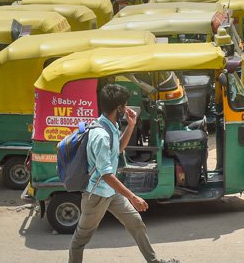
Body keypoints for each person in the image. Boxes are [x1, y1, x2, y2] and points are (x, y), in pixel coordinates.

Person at [69, 84, 176, 263]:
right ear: (118, 108)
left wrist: (131, 125)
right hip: (96, 197)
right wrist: (133, 197)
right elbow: (106, 174)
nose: (126, 108)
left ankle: (154, 261)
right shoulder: (100, 135)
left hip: (111, 193)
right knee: (80, 240)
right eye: (125, 105)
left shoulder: (109, 124)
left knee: (136, 223)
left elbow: (118, 148)